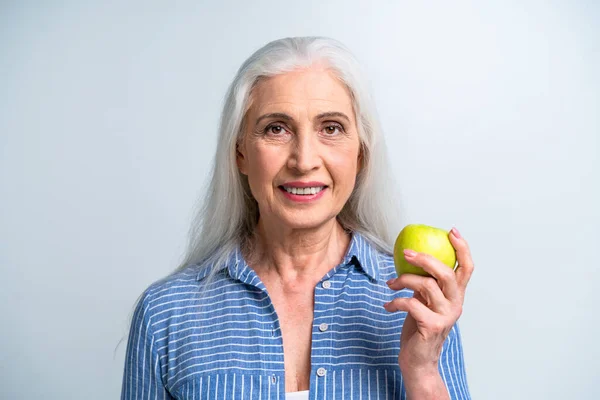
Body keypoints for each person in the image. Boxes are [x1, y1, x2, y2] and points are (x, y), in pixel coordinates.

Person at [121, 36, 474, 400]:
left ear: (361, 153)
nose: (304, 160)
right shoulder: (166, 312)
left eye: (331, 128)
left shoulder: (420, 303)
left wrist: (423, 371)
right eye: (276, 128)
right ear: (240, 152)